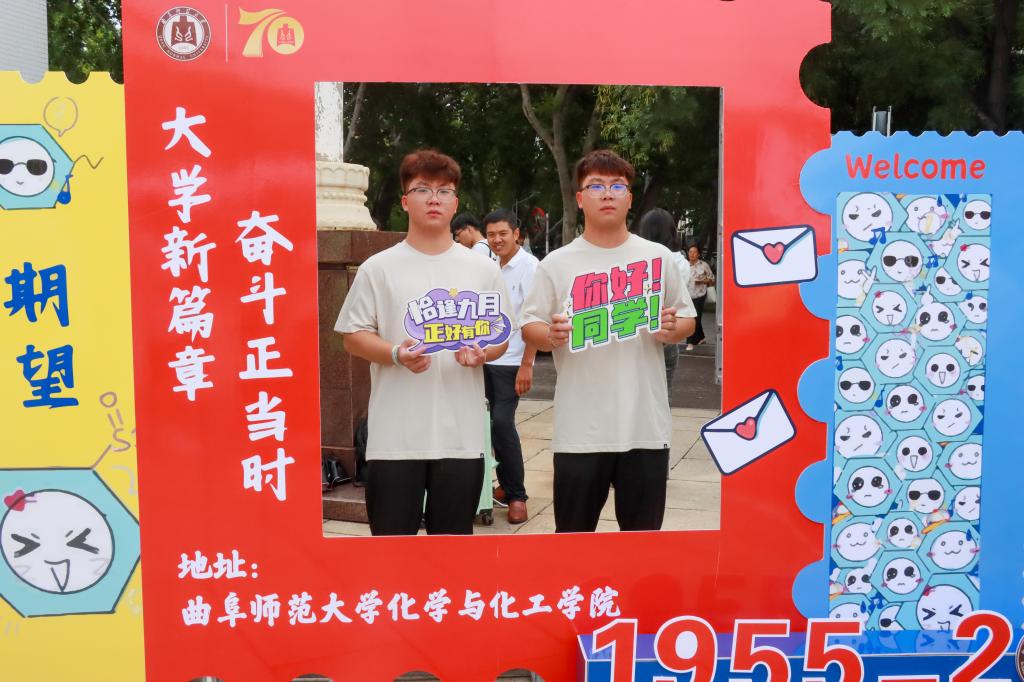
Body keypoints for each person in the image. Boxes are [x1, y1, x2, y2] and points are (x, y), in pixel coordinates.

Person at [335, 149, 510, 536]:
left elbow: (500, 337)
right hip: (395, 439)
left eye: (444, 191)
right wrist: (395, 354)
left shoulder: (483, 270)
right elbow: (353, 336)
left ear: (455, 203)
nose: (434, 199)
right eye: (422, 189)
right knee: (392, 550)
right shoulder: (378, 268)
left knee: (451, 552)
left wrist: (483, 353)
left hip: (460, 438)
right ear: (404, 201)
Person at [521, 150, 697, 533]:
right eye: (596, 186)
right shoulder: (556, 263)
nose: (607, 194)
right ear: (580, 197)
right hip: (580, 431)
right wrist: (549, 335)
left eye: (617, 186)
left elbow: (687, 319)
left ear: (629, 198)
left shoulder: (658, 258)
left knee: (641, 544)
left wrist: (673, 329)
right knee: (574, 541)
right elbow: (530, 325)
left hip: (644, 428)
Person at [482, 208, 539, 524]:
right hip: (486, 359)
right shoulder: (490, 267)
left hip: (513, 361)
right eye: (491, 234)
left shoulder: (530, 268)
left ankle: (518, 496)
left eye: (503, 233)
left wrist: (527, 364)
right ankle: (503, 485)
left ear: (517, 234)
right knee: (486, 425)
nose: (497, 239)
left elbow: (534, 319)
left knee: (502, 423)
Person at [635, 208, 690, 388]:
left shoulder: (637, 262)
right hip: (670, 332)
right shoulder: (681, 262)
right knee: (664, 392)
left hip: (638, 333)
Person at [685, 244, 715, 351]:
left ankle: (690, 342)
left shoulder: (704, 265)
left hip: (700, 294)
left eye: (694, 252)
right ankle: (701, 337)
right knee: (693, 317)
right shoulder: (684, 265)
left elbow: (712, 279)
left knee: (694, 318)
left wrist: (702, 281)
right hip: (688, 295)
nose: (692, 254)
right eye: (690, 252)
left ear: (698, 254)